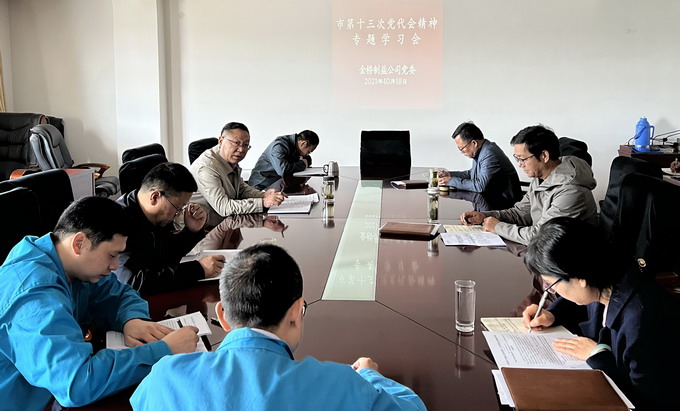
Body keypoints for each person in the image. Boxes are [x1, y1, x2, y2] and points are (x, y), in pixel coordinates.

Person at [131, 244, 427, 410]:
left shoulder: (164, 377)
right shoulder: (341, 385)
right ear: (297, 312)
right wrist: (370, 376)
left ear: (222, 315)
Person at [0, 197, 199, 410]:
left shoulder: (68, 260)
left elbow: (120, 294)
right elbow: (76, 383)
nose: (115, 266)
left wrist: (132, 320)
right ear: (79, 243)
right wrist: (163, 350)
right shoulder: (34, 296)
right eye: (111, 255)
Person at [521, 217, 680, 409]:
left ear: (579, 278)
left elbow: (645, 400)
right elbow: (580, 302)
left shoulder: (642, 322)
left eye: (551, 284)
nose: (552, 291)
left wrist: (596, 354)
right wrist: (552, 314)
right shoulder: (605, 277)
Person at [460, 125, 597, 245]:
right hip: (543, 253)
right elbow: (520, 213)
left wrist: (498, 227)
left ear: (544, 156)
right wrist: (484, 216)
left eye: (523, 159)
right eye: (517, 159)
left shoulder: (571, 191)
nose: (520, 165)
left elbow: (542, 236)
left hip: (570, 260)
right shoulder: (541, 177)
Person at [115, 162, 225, 296]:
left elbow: (164, 256)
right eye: (178, 208)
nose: (178, 214)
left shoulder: (156, 215)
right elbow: (132, 282)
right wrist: (198, 270)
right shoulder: (118, 221)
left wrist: (191, 231)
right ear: (155, 197)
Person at [190, 122, 286, 226]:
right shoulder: (206, 168)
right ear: (221, 141)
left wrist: (263, 195)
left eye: (245, 145)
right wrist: (263, 202)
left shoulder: (228, 159)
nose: (241, 149)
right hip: (205, 228)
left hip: (229, 222)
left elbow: (241, 188)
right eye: (236, 143)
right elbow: (224, 208)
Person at [438, 122, 521, 209]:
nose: (461, 152)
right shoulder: (482, 150)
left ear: (474, 143)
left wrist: (451, 181)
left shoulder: (489, 153)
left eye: (461, 148)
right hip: (489, 201)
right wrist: (449, 174)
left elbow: (480, 186)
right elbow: (472, 174)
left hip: (504, 206)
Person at [248, 130, 319, 190]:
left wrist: (304, 162)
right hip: (262, 184)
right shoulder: (279, 146)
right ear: (303, 144)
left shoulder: (295, 147)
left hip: (275, 179)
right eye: (309, 152)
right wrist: (302, 164)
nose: (307, 154)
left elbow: (307, 160)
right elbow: (282, 170)